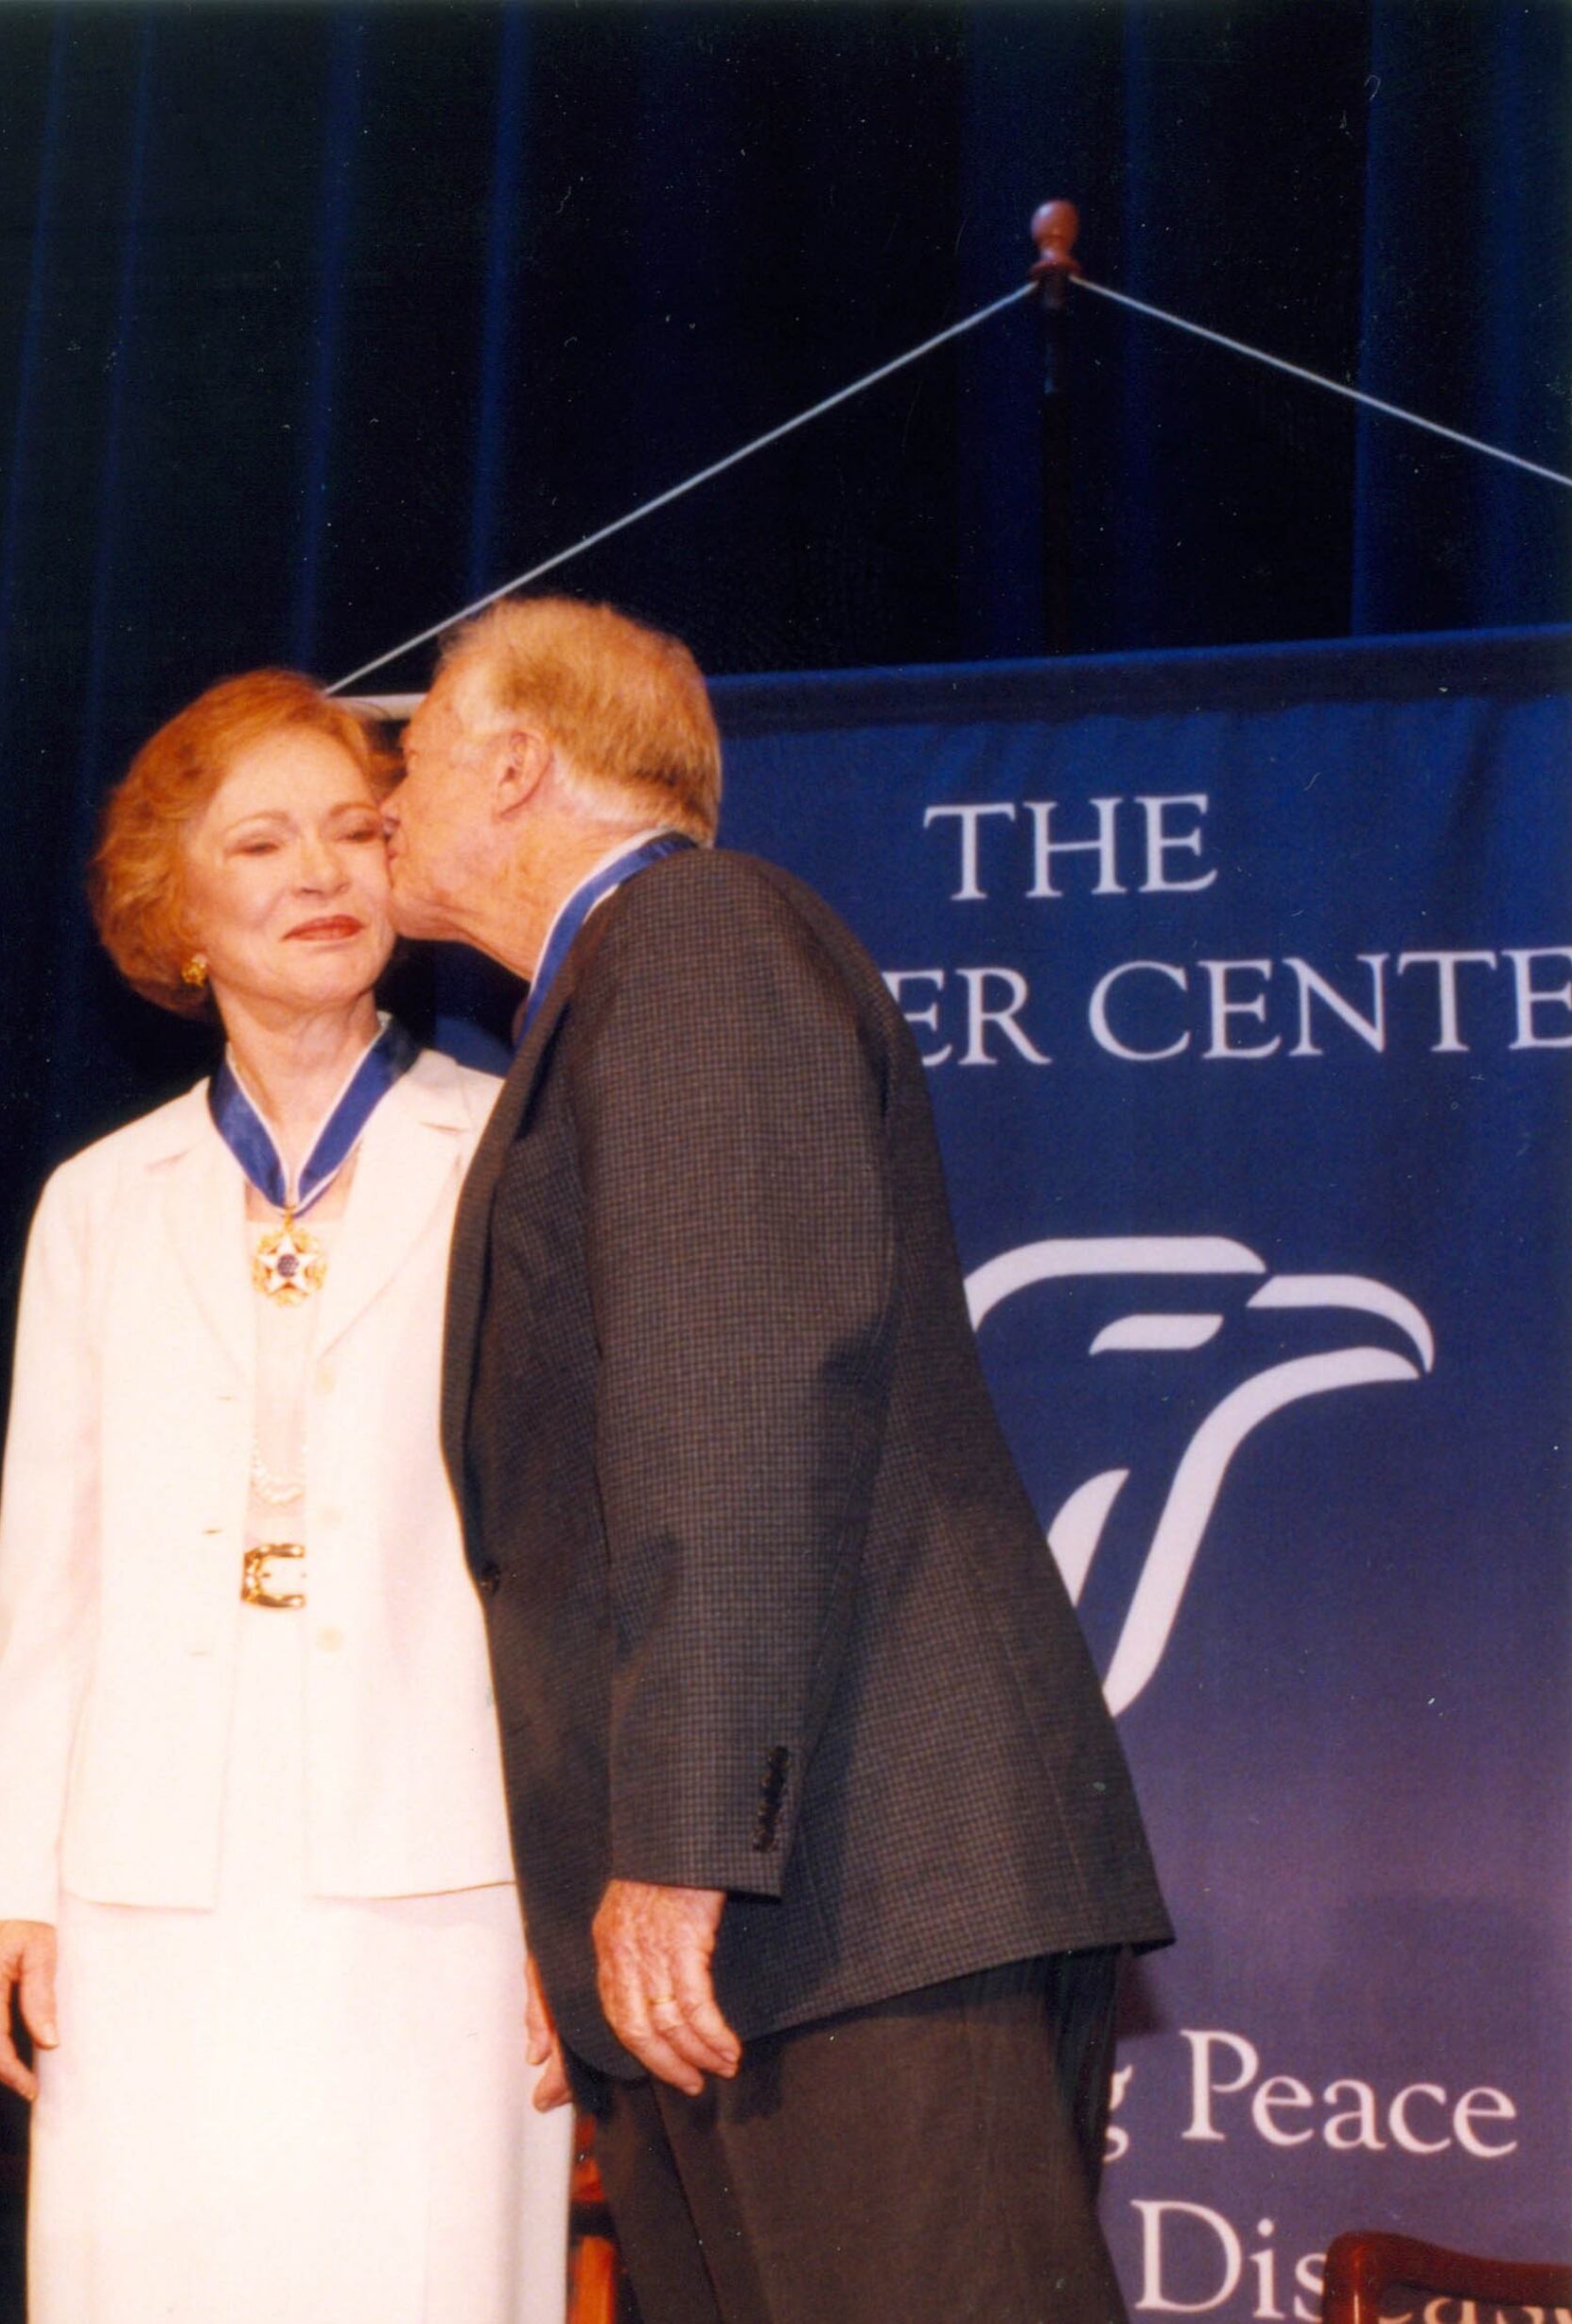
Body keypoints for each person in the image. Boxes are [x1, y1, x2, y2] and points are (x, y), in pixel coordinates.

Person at [380, 596, 1172, 2324]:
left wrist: (678, 1843)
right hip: (790, 1906)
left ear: (518, 765)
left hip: (847, 1889)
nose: (388, 791)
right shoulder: (608, 991)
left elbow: (739, 1405)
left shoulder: (692, 937)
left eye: (416, 745)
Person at [0, 671, 569, 2324]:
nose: (323, 874)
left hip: (437, 1881)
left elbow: (574, 1566)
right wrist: (0, 1877)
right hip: (145, 1898)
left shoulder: (518, 1150)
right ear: (178, 910)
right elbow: (48, 1576)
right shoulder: (98, 1203)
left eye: (360, 831)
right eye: (264, 841)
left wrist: (572, 1888)